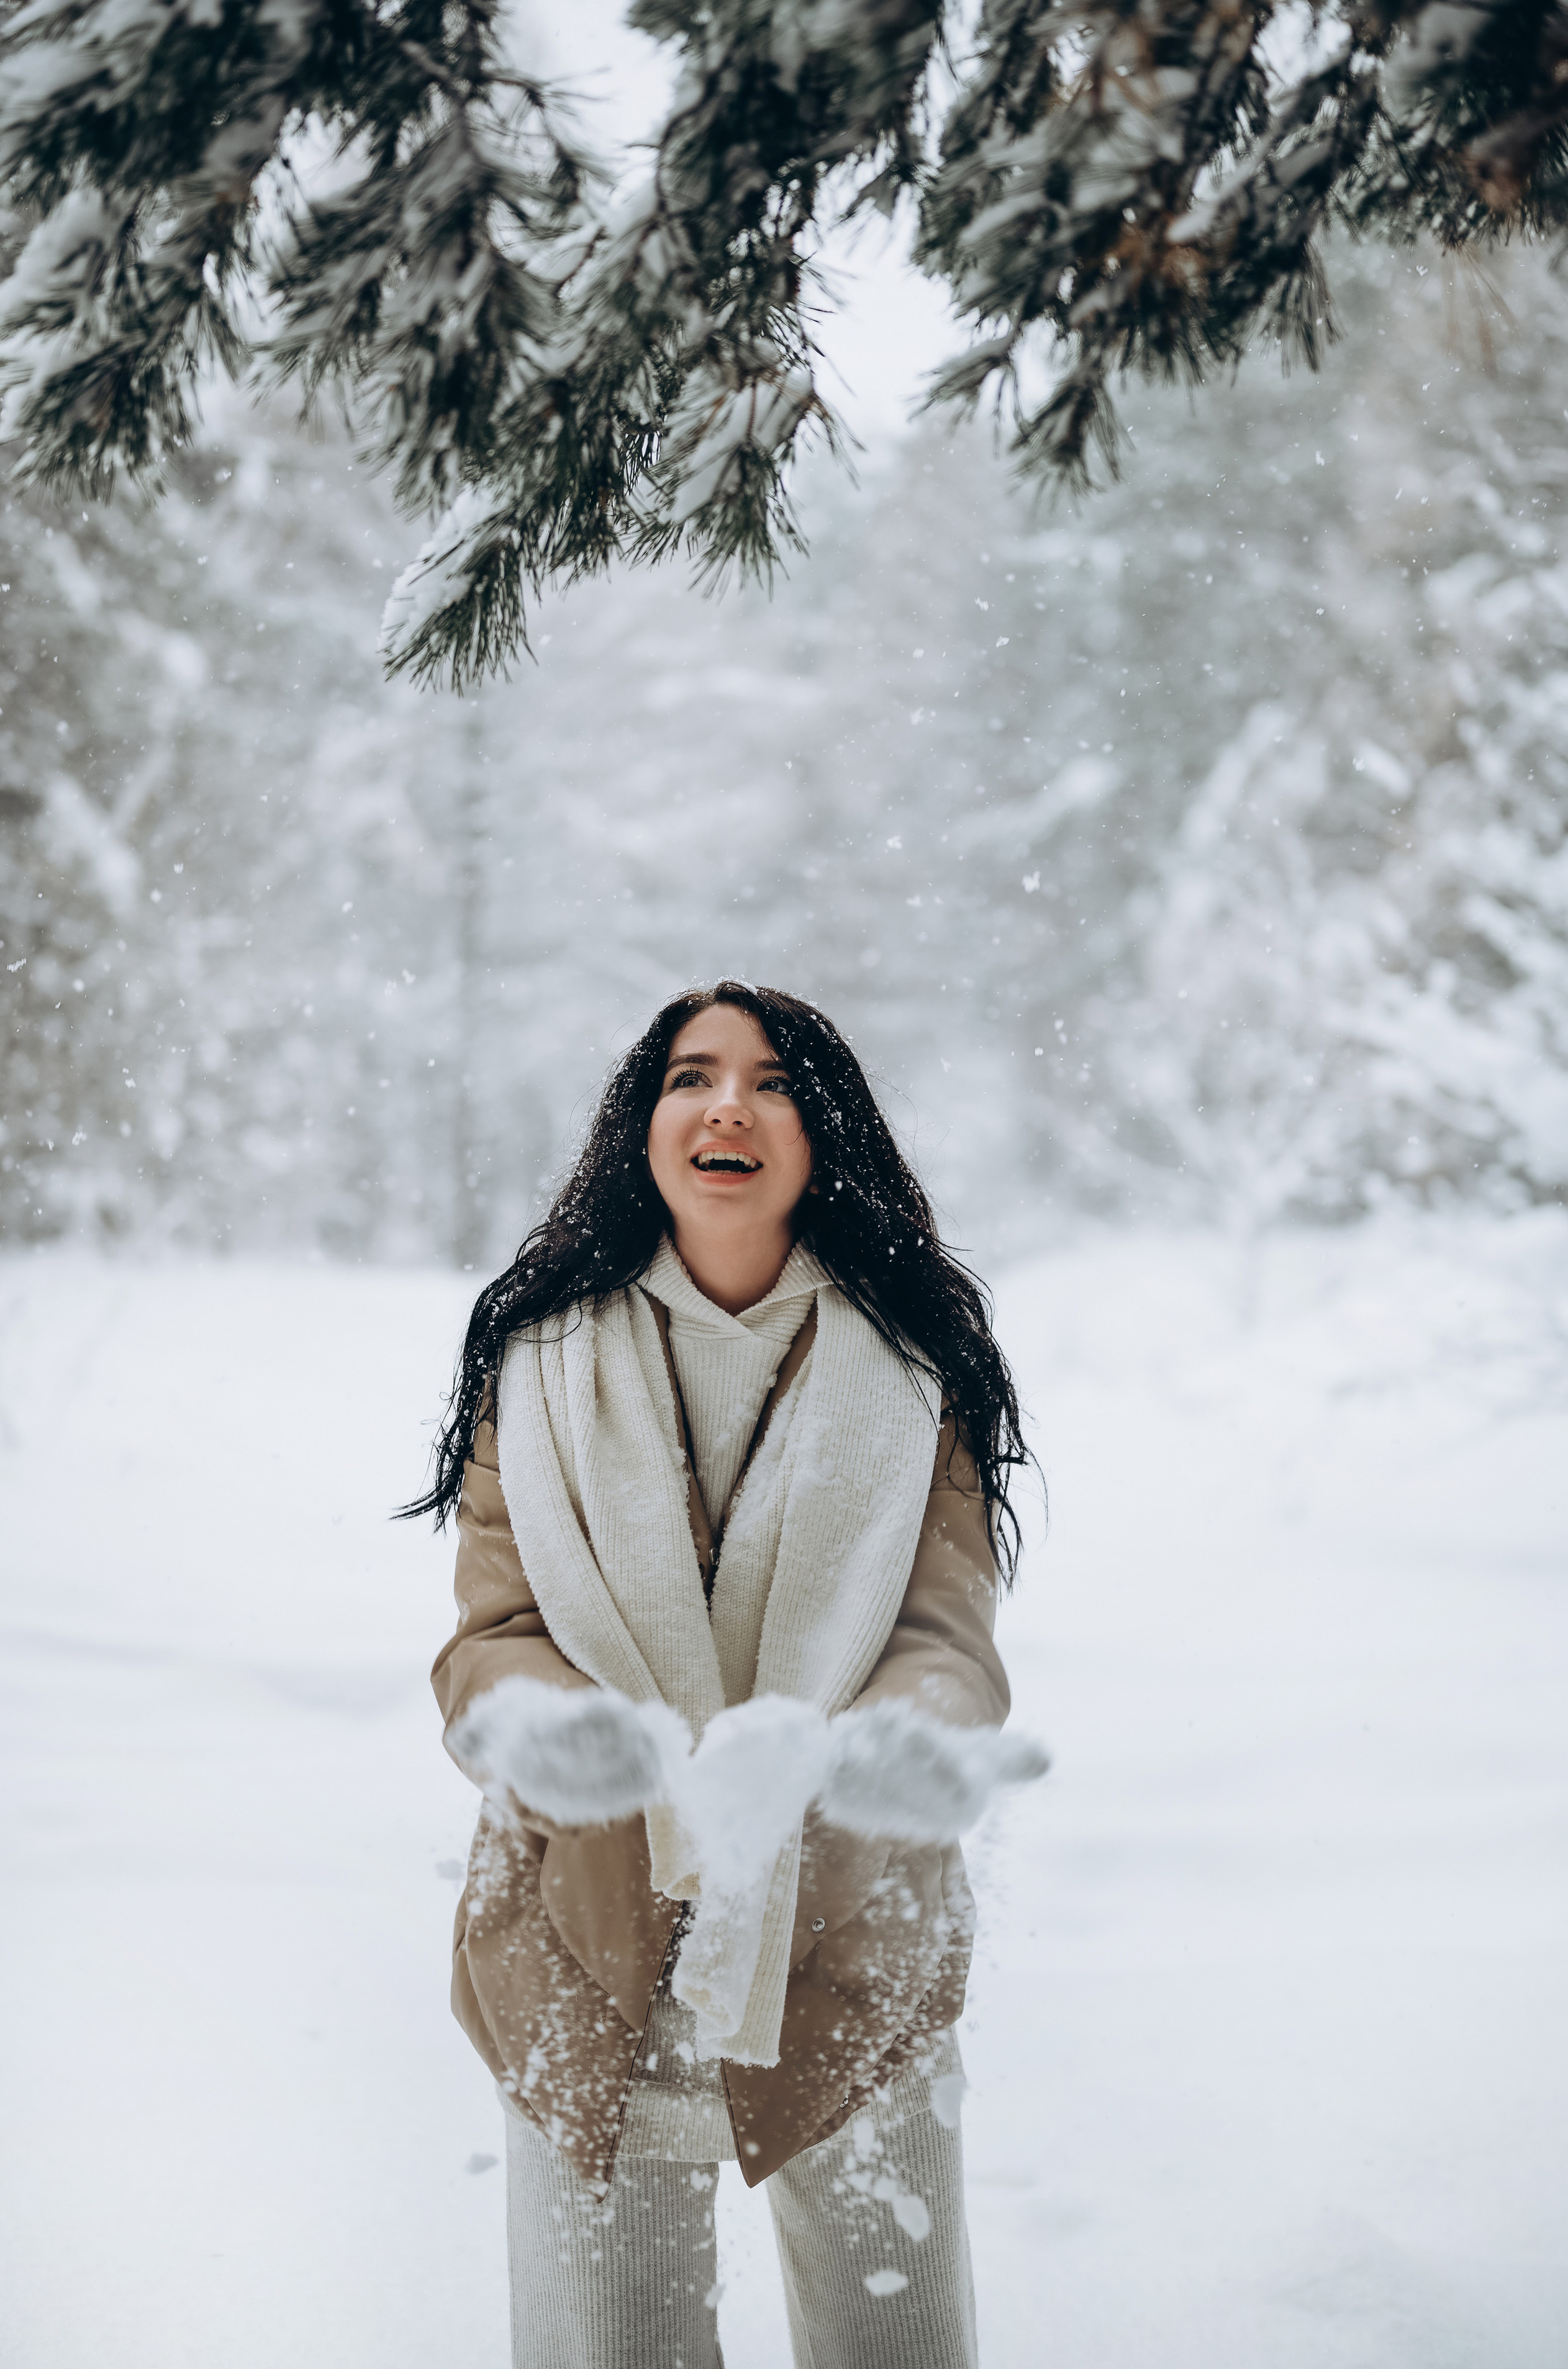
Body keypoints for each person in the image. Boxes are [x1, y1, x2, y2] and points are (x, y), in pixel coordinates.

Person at [410, 980, 1033, 2369]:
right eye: (690, 1076)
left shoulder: (910, 1366)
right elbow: (489, 1634)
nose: (727, 1104)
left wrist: (892, 1749)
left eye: (772, 1080)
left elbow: (943, 1637)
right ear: (643, 1126)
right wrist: (548, 1732)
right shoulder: (538, 1362)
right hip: (587, 1933)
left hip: (849, 1925)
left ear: (825, 1137)